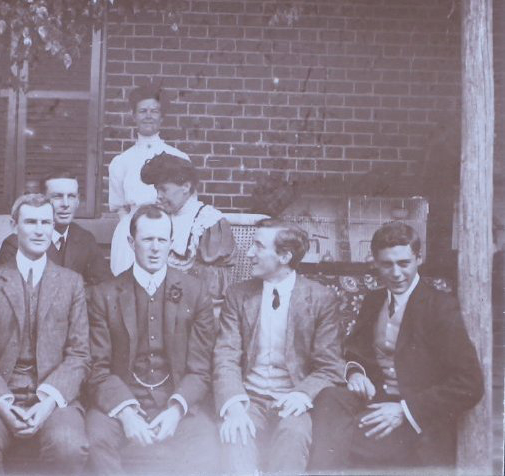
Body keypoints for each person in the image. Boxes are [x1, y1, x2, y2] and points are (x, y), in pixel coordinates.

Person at [309, 222, 483, 471]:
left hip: (417, 418)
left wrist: (405, 410)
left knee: (334, 441)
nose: (396, 273)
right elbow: (354, 351)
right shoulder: (373, 300)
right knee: (329, 400)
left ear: (418, 259)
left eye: (404, 263)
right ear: (376, 263)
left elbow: (470, 384)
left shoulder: (440, 307)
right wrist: (356, 372)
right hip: (375, 402)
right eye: (387, 264)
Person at [0, 194, 90, 474]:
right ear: (14, 225)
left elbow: (79, 354)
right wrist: (3, 404)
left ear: (53, 227)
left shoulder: (71, 283)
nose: (39, 230)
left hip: (53, 395)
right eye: (30, 222)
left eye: (45, 222)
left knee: (69, 445)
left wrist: (49, 401)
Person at [85, 204, 221, 474]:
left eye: (162, 240)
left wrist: (175, 410)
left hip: (176, 401)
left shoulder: (195, 292)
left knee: (206, 444)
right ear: (131, 242)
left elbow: (200, 368)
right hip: (120, 398)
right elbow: (97, 367)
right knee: (96, 440)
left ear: (171, 243)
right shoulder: (104, 294)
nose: (155, 248)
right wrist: (125, 413)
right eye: (147, 240)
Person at [213, 218, 344, 473]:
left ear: (284, 256)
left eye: (258, 246)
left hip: (292, 399)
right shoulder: (238, 295)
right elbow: (225, 355)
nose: (249, 253)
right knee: (235, 436)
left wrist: (303, 394)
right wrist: (234, 405)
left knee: (294, 437)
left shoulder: (321, 298)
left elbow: (330, 364)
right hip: (248, 398)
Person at [108, 84, 189, 276]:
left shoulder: (179, 158)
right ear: (133, 116)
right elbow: (119, 207)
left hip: (167, 233)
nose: (148, 116)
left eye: (154, 111)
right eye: (143, 111)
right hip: (131, 235)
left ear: (162, 116)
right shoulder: (121, 161)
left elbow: (187, 204)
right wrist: (132, 232)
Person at [139, 152, 236, 302]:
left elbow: (212, 288)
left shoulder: (208, 222)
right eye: (157, 190)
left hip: (192, 305)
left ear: (185, 187)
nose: (158, 196)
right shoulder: (160, 216)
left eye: (164, 189)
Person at [0, 170, 109, 286]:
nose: (65, 204)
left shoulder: (85, 239)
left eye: (71, 196)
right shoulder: (16, 243)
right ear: (42, 200)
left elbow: (103, 288)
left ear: (77, 201)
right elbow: (10, 292)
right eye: (57, 196)